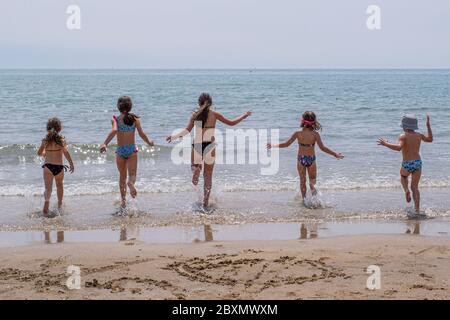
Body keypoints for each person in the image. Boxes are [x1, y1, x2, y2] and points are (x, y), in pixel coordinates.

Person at [166, 93, 251, 208]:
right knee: (208, 175)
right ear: (211, 103)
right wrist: (243, 116)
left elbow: (187, 131)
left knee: (195, 167)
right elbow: (231, 123)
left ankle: (195, 170)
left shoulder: (195, 115)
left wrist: (174, 136)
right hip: (210, 145)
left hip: (197, 145)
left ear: (199, 103)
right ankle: (205, 202)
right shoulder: (215, 114)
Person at [267, 111, 344, 201]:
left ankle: (304, 200)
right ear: (314, 121)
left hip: (301, 159)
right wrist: (335, 154)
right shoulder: (315, 134)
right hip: (311, 159)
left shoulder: (298, 133)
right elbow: (322, 148)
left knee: (302, 181)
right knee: (312, 181)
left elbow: (286, 144)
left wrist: (273, 145)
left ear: (303, 121)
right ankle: (315, 200)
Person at [100, 96, 154, 208]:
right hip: (131, 150)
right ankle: (131, 183)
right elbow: (141, 134)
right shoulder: (135, 119)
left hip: (120, 151)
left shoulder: (115, 119)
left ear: (118, 107)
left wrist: (105, 143)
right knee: (132, 174)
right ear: (130, 106)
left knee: (122, 177)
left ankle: (123, 201)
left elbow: (114, 130)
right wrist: (149, 142)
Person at [378, 114, 433, 214]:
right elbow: (430, 139)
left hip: (407, 163)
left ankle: (406, 190)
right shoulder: (419, 135)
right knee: (415, 188)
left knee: (403, 177)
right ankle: (417, 210)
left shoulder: (403, 136)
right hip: (417, 163)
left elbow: (398, 148)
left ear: (404, 126)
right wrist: (428, 126)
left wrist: (385, 144)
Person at [37, 117, 74, 215]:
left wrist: (45, 152)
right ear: (59, 128)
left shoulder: (45, 141)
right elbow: (65, 152)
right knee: (59, 185)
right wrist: (71, 163)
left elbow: (39, 153)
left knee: (48, 188)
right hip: (59, 167)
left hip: (48, 167)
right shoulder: (61, 140)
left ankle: (46, 204)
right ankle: (59, 204)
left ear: (47, 128)